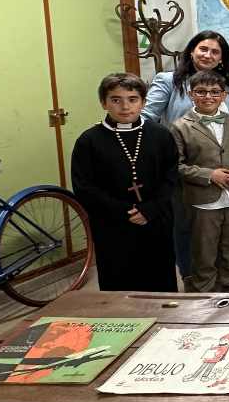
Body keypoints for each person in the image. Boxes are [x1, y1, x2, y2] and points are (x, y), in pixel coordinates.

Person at [71, 73, 179, 292]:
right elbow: (84, 187)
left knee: (159, 280)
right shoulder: (89, 141)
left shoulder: (160, 135)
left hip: (155, 220)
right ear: (104, 102)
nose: (125, 106)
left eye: (132, 99)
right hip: (113, 225)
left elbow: (171, 177)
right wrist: (124, 211)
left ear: (143, 102)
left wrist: (150, 209)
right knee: (119, 283)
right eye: (115, 99)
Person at [142, 30, 229, 279]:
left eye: (215, 51)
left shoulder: (226, 86)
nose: (208, 55)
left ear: (221, 59)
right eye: (203, 49)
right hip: (185, 170)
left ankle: (216, 280)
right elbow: (146, 119)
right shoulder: (169, 80)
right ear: (191, 51)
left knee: (219, 230)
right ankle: (191, 279)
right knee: (185, 228)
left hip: (224, 173)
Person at [171, 70, 229, 293]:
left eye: (214, 92)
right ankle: (204, 296)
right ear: (191, 94)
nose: (208, 96)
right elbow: (177, 165)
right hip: (203, 201)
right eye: (201, 92)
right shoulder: (180, 126)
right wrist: (209, 175)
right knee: (204, 252)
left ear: (224, 95)